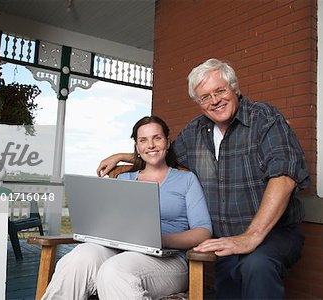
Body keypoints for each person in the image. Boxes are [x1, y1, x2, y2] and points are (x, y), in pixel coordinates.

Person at [97, 58, 310, 299]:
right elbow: (164, 152)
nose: (215, 101)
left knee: (256, 266)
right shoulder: (195, 131)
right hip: (226, 242)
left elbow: (284, 176)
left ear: (235, 88)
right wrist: (125, 156)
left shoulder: (265, 118)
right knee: (227, 288)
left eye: (220, 91)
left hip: (272, 233)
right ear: (198, 102)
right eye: (205, 97)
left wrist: (251, 236)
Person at [43, 116, 212, 299]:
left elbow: (203, 231)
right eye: (143, 140)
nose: (151, 145)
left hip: (167, 260)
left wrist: (161, 240)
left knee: (113, 270)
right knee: (80, 256)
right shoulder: (124, 180)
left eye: (157, 138)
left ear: (167, 142)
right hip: (120, 251)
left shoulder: (186, 180)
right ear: (137, 147)